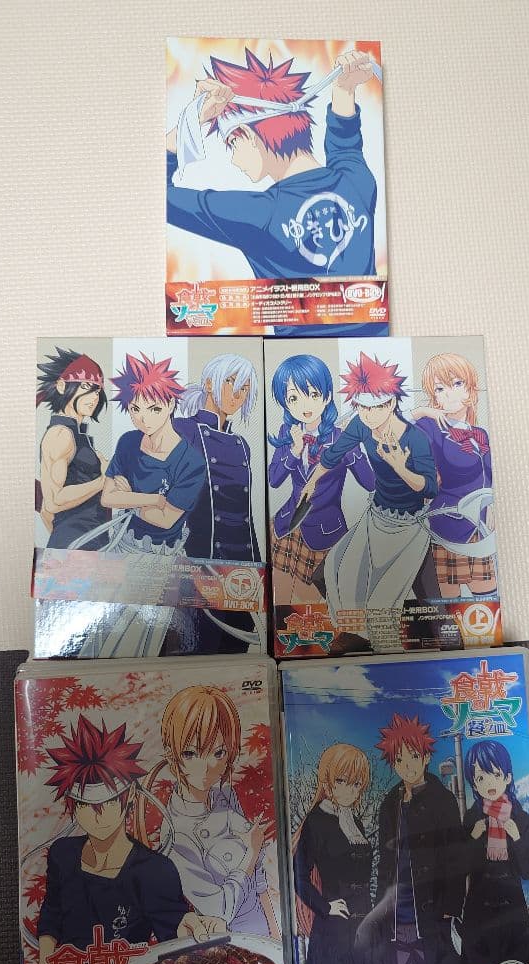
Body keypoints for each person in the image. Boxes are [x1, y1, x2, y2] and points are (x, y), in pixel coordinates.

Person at [166, 47, 385, 337]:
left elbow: (162, 199)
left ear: (247, 134)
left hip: (297, 355)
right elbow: (346, 146)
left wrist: (194, 118)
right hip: (373, 346)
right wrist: (344, 89)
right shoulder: (357, 181)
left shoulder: (258, 214)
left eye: (231, 144)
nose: (233, 160)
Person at [36, 714, 224, 964]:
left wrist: (192, 927)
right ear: (73, 805)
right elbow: (51, 915)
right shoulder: (62, 854)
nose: (98, 816)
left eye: (109, 802)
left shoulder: (153, 870)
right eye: (85, 805)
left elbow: (173, 929)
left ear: (129, 798)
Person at [72, 352, 207, 658]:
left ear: (170, 405)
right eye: (135, 408)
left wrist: (130, 496)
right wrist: (152, 498)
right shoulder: (129, 441)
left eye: (154, 408)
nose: (143, 417)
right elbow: (109, 497)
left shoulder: (191, 461)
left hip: (160, 559)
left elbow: (166, 519)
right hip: (121, 547)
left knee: (138, 640)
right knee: (100, 631)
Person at [301, 352, 439, 646]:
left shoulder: (415, 438)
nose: (368, 414)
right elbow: (333, 455)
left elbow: (429, 488)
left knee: (383, 600)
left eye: (375, 407)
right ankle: (354, 636)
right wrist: (312, 481)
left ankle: (384, 648)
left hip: (409, 526)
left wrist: (400, 467)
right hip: (375, 516)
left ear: (390, 404)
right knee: (337, 570)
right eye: (362, 407)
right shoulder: (361, 425)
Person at [134, 686, 280, 939]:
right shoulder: (175, 833)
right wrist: (250, 854)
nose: (207, 765)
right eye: (190, 753)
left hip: (263, 928)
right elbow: (219, 909)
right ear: (172, 755)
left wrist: (276, 933)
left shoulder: (225, 795)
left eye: (218, 752)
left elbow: (259, 882)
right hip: (229, 941)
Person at [363, 714, 466, 964]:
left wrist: (449, 908)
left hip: (431, 922)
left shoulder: (443, 800)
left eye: (413, 756)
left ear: (426, 756)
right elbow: (385, 863)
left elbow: (456, 858)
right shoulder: (389, 803)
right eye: (399, 759)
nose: (407, 765)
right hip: (396, 924)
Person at [267, 353, 374, 606]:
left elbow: (370, 483)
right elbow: (274, 480)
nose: (305, 405)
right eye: (294, 398)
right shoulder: (288, 432)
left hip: (325, 532)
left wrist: (354, 445)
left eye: (313, 394)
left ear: (327, 396)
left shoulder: (342, 437)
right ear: (285, 403)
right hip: (286, 525)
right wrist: (294, 451)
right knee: (280, 597)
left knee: (311, 603)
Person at [174, 354, 262, 652]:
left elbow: (246, 515)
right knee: (198, 652)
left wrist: (257, 572)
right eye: (231, 382)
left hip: (241, 571)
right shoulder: (182, 429)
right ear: (210, 383)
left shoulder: (243, 445)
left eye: (245, 387)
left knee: (237, 655)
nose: (238, 393)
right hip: (199, 565)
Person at [292, 744, 373, 964]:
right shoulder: (316, 821)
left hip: (362, 928)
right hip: (335, 931)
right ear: (327, 781)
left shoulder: (355, 820)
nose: (350, 789)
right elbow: (299, 876)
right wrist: (325, 907)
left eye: (356, 783)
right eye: (342, 781)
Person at [412, 353, 497, 598]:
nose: (448, 393)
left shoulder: (480, 433)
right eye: (440, 389)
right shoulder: (429, 428)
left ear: (470, 389)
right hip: (448, 523)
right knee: (446, 602)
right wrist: (421, 412)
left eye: (457, 383)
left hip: (481, 526)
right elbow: (394, 426)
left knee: (486, 596)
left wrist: (492, 507)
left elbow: (489, 477)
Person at [461, 740, 529, 964]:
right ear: (473, 783)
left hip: (511, 906)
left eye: (495, 773)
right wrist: (472, 839)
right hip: (479, 909)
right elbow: (462, 868)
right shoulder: (472, 819)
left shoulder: (520, 818)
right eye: (480, 777)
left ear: (508, 777)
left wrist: (517, 839)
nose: (489, 782)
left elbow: (527, 870)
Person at [36, 347, 109, 549]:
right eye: (86, 387)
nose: (94, 397)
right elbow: (53, 501)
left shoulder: (73, 435)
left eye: (97, 391)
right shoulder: (60, 435)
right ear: (62, 386)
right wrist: (102, 481)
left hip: (83, 542)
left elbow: (46, 511)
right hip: (79, 544)